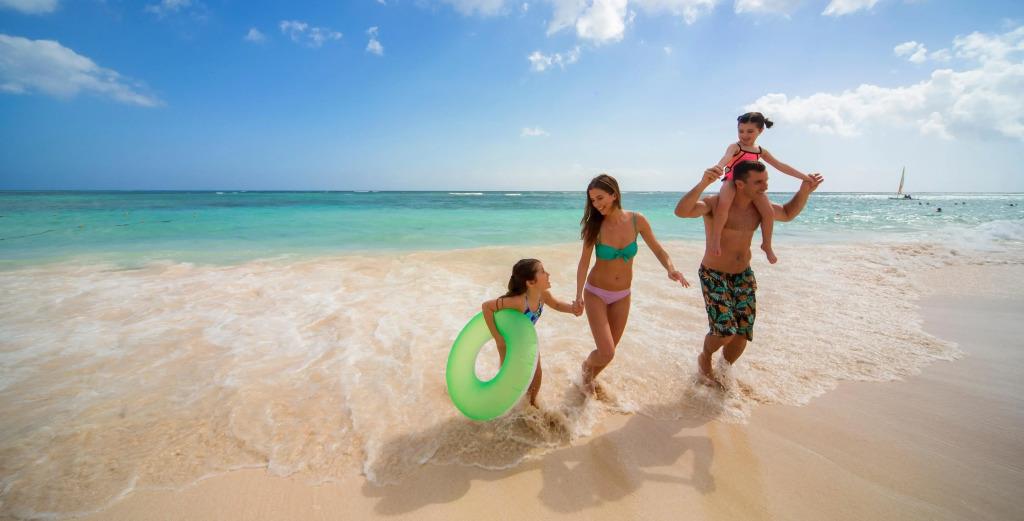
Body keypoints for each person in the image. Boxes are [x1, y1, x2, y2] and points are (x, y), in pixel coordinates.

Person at [675, 162, 824, 388]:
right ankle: (705, 357)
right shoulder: (716, 204)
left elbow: (787, 213)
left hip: (742, 275)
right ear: (740, 184)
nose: (765, 187)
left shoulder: (759, 207)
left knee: (743, 332)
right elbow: (682, 212)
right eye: (759, 182)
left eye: (766, 181)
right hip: (714, 274)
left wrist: (804, 191)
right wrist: (703, 183)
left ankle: (724, 370)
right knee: (724, 331)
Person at [574, 174, 690, 395]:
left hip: (622, 295)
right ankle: (586, 368)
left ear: (614, 194)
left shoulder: (637, 220)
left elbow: (658, 249)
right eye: (593, 200)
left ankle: (589, 380)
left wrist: (670, 269)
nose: (596, 204)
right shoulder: (594, 226)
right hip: (596, 293)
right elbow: (583, 263)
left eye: (600, 198)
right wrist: (578, 295)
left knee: (610, 352)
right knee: (606, 352)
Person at [709, 112, 814, 264]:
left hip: (751, 185)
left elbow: (780, 165)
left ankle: (767, 245)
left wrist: (804, 177)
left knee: (769, 212)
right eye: (741, 131)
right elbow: (726, 157)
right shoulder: (735, 146)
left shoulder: (760, 151)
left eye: (750, 131)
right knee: (723, 206)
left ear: (760, 131)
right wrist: (719, 167)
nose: (744, 135)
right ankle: (716, 239)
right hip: (732, 180)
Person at [481, 259, 582, 408]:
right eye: (543, 271)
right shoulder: (518, 301)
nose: (548, 274)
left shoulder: (543, 295)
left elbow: (556, 304)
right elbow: (486, 307)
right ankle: (501, 403)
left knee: (537, 374)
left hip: (527, 339)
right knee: (508, 375)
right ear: (530, 282)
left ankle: (530, 404)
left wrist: (572, 309)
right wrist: (498, 338)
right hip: (509, 341)